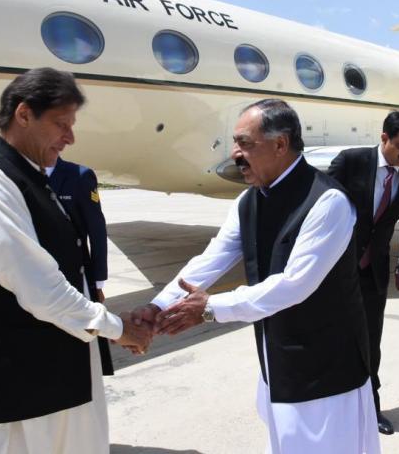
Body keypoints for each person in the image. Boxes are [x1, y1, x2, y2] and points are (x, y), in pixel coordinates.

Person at [133, 99, 380, 454]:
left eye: (245, 144)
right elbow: (212, 258)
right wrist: (158, 306)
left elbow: (294, 285)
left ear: (280, 144)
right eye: (235, 143)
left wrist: (210, 309)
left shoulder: (328, 202)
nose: (235, 154)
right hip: (278, 361)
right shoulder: (249, 202)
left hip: (328, 370)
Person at [0, 67, 151, 454]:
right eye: (61, 124)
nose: (70, 137)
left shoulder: (34, 178)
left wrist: (106, 319)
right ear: (24, 114)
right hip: (23, 391)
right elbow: (39, 288)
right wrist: (116, 328)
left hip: (60, 377)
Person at [327, 110, 399, 435]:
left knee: (370, 343)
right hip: (335, 270)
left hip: (373, 272)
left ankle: (370, 408)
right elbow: (317, 210)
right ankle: (331, 408)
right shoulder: (350, 161)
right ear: (384, 138)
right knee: (332, 340)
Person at [47, 157, 113, 374]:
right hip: (40, 274)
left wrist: (98, 282)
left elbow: (97, 230)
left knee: (84, 343)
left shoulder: (79, 176)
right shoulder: (21, 174)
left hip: (76, 274)